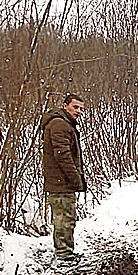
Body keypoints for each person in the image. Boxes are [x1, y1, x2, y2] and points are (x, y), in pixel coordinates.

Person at [41, 93, 86, 265]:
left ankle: (65, 253)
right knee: (63, 219)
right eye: (75, 107)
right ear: (65, 105)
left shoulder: (63, 123)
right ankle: (63, 256)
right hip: (60, 182)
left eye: (81, 108)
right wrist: (76, 179)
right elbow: (63, 156)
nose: (78, 111)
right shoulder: (60, 125)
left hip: (60, 181)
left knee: (66, 218)